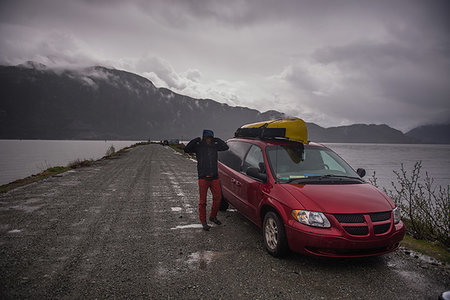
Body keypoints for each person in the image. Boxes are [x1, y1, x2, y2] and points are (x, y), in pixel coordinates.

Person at [184, 129, 229, 231]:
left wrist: (217, 139)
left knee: (218, 198)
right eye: (207, 138)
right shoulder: (199, 146)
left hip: (214, 177)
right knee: (203, 202)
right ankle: (203, 221)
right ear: (204, 138)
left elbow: (226, 147)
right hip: (203, 177)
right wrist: (196, 139)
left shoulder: (215, 145)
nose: (209, 140)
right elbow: (186, 149)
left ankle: (212, 217)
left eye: (210, 138)